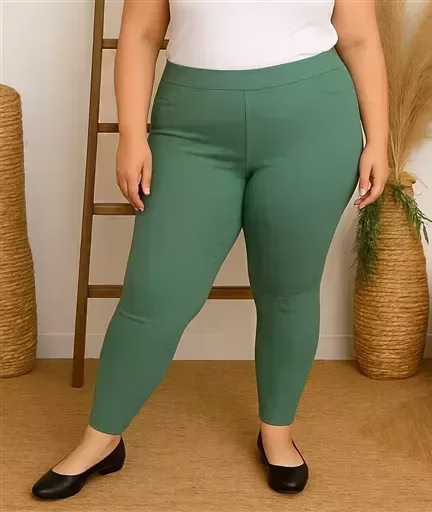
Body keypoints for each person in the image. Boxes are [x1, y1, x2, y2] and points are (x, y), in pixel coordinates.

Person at [32, 0, 388, 500]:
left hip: (313, 123)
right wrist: (131, 135)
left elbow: (359, 37)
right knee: (155, 295)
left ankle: (277, 432)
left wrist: (379, 140)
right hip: (190, 126)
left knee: (288, 289)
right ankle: (102, 439)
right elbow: (140, 32)